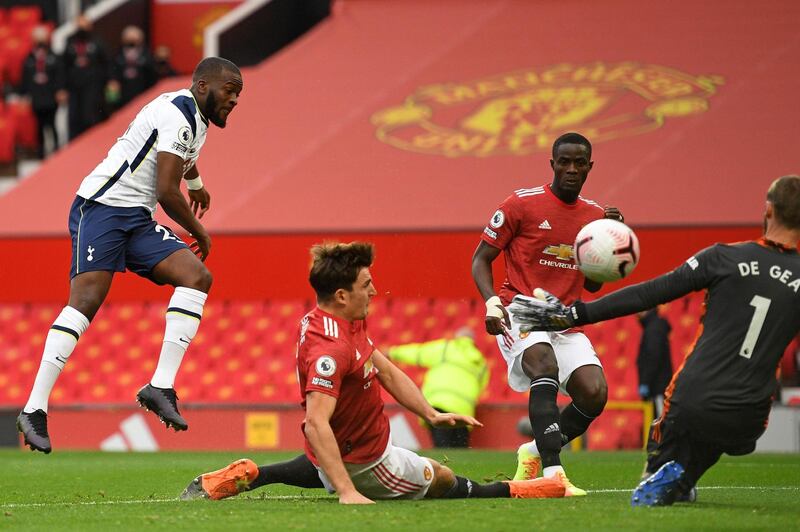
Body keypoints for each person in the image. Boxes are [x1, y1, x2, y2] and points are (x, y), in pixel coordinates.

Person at [181, 242, 566, 503]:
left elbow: (385, 369)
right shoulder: (330, 349)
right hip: (368, 462)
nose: (375, 290)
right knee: (443, 479)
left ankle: (252, 473)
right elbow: (316, 423)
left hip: (346, 449)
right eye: (366, 285)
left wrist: (429, 413)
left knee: (319, 466)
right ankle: (517, 489)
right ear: (342, 295)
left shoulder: (339, 320)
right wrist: (349, 490)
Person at [509, 175, 800, 506]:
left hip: (692, 398)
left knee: (670, 438)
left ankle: (664, 474)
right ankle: (688, 476)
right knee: (718, 437)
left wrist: (574, 314)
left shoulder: (724, 258)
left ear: (768, 210)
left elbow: (650, 294)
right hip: (752, 415)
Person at [16, 56, 244, 454]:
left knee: (196, 277)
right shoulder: (177, 115)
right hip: (102, 206)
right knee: (86, 302)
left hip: (136, 217)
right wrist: (199, 230)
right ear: (203, 86)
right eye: (230, 90)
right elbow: (166, 192)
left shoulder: (196, 118)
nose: (235, 100)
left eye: (238, 94)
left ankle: (160, 386)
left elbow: (182, 159)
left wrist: (198, 183)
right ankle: (34, 408)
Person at [471, 131, 624, 495]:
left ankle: (534, 450)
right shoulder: (520, 204)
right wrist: (492, 301)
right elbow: (480, 259)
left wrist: (609, 241)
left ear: (590, 166)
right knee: (545, 366)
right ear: (552, 163)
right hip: (520, 308)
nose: (571, 169)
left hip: (563, 319)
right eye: (564, 162)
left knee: (594, 393)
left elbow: (593, 287)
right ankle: (554, 474)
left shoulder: (595, 216)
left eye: (579, 163)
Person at [387, 326, 489, 448]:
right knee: (461, 452)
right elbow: (481, 387)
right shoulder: (481, 363)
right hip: (464, 411)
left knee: (442, 450)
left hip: (439, 405)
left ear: (457, 337)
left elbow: (418, 353)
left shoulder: (446, 348)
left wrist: (392, 353)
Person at [19, 25, 67, 158]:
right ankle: (41, 154)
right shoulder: (29, 59)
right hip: (37, 98)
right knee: (39, 127)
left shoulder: (53, 57)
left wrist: (60, 90)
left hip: (51, 97)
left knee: (52, 125)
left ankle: (58, 152)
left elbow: (60, 75)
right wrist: (24, 95)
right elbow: (25, 78)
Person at [63, 15, 109, 140]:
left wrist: (108, 81)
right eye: (80, 24)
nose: (82, 27)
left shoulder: (97, 42)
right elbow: (64, 65)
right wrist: (62, 88)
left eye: (85, 24)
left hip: (92, 86)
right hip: (74, 86)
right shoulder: (70, 42)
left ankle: (92, 142)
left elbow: (105, 63)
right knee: (74, 117)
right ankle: (73, 145)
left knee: (90, 115)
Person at [106, 26, 156, 110]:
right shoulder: (117, 56)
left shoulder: (147, 56)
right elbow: (112, 75)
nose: (132, 43)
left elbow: (152, 75)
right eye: (129, 40)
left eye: (134, 40)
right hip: (123, 96)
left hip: (142, 95)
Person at [636, 309, 673, 418]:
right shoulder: (654, 327)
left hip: (658, 389)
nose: (636, 313)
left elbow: (653, 357)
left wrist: (645, 382)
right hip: (657, 388)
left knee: (660, 423)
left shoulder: (653, 329)